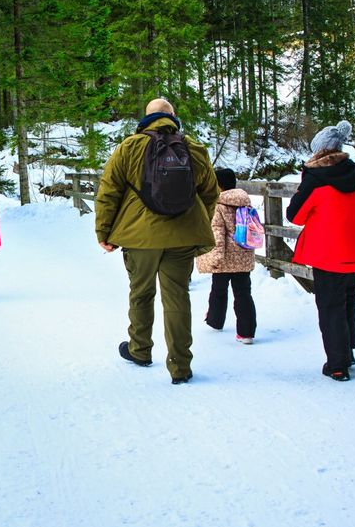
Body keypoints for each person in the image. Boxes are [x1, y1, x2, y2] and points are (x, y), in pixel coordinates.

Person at [95, 98, 220, 385]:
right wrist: (194, 223)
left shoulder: (129, 147)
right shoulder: (194, 148)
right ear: (172, 116)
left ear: (146, 118)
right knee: (177, 297)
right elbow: (210, 192)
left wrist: (104, 231)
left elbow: (109, 191)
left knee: (141, 293)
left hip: (140, 238)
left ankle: (140, 349)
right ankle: (180, 367)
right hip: (181, 237)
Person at [286, 120, 355, 383]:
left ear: (319, 152)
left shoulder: (315, 180)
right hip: (353, 250)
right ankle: (347, 352)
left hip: (326, 253)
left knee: (330, 306)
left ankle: (337, 365)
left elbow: (294, 215)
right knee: (348, 300)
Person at [195, 168, 257, 344]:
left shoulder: (218, 206)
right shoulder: (245, 203)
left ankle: (215, 320)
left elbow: (217, 236)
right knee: (244, 293)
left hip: (223, 258)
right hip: (244, 255)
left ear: (218, 186)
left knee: (218, 290)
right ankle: (246, 333)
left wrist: (214, 259)